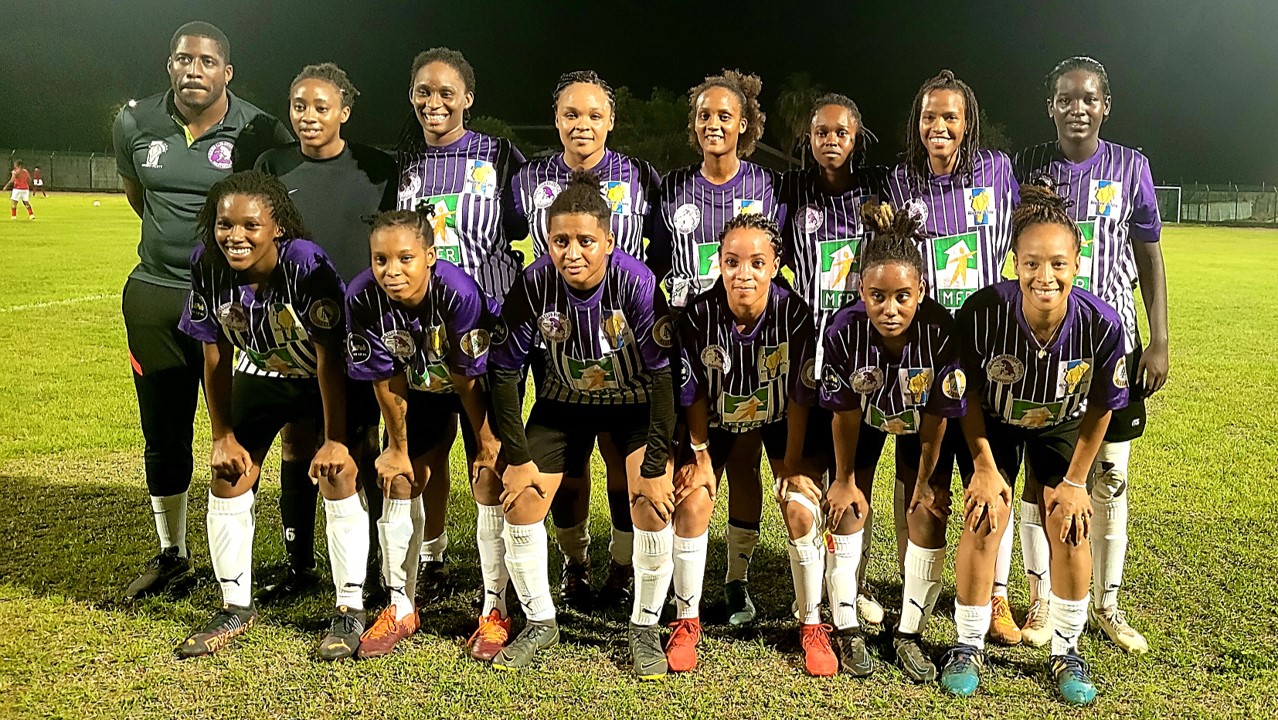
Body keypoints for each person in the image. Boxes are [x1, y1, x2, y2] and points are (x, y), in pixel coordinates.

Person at [113, 21, 292, 602]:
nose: (195, 70)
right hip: (156, 295)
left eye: (208, 61)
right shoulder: (134, 121)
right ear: (170, 65)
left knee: (243, 430)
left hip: (235, 301)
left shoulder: (260, 126)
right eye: (184, 59)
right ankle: (172, 554)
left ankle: (252, 558)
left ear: (227, 72)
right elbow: (139, 194)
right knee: (163, 429)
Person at [941, 183, 1128, 705]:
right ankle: (968, 643)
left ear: (1077, 262)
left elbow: (1102, 404)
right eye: (1031, 263)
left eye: (1058, 263)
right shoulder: (982, 312)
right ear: (1013, 263)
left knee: (1069, 525)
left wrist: (1074, 482)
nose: (1045, 277)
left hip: (1062, 424)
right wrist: (982, 462)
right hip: (995, 423)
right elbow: (967, 393)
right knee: (985, 514)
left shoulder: (1101, 323)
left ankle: (1067, 649)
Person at [486, 170, 675, 677]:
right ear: (546, 241)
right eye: (560, 240)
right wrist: (520, 457)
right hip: (563, 403)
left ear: (609, 241)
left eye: (586, 241)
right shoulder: (534, 283)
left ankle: (644, 628)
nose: (573, 252)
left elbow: (663, 381)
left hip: (632, 403)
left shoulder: (635, 283)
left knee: (653, 505)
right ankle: (541, 622)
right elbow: (503, 373)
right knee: (520, 502)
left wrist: (656, 463)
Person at [1010, 56, 1167, 654]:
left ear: (1106, 105)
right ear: (1050, 106)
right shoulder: (1027, 167)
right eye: (1066, 98)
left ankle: (1107, 603)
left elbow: (1150, 255)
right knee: (1042, 477)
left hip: (1113, 345)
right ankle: (1042, 599)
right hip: (1042, 345)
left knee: (1110, 476)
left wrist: (1158, 340)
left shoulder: (1132, 168)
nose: (1078, 107)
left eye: (1089, 98)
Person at [174, 171, 357, 658]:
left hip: (328, 376)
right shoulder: (206, 264)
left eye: (250, 225)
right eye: (225, 224)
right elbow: (213, 354)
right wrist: (222, 434)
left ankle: (351, 609)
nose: (235, 236)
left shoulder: (305, 263)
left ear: (277, 227)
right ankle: (237, 604)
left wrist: (334, 436)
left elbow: (330, 356)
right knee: (229, 472)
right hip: (266, 370)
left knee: (340, 472)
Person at [509, 70, 662, 611]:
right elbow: (507, 243)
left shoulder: (641, 176)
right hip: (553, 343)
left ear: (611, 121)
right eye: (571, 114)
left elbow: (660, 249)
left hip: (624, 346)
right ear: (556, 119)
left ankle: (623, 570)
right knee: (566, 470)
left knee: (630, 471)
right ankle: (575, 566)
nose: (582, 124)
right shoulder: (527, 178)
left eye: (594, 114)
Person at [884, 69, 1022, 647]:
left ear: (968, 123)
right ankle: (915, 588)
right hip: (926, 346)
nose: (939, 126)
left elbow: (1019, 237)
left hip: (988, 346)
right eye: (929, 116)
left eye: (950, 116)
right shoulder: (901, 179)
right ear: (918, 124)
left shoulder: (996, 171)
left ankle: (996, 595)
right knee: (920, 470)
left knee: (992, 471)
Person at [255, 62, 397, 602]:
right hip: (296, 328)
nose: (308, 116)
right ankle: (299, 564)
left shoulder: (377, 168)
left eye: (320, 106)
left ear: (345, 111)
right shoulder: (273, 163)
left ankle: (373, 563)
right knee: (297, 441)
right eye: (298, 106)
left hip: (358, 326)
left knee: (356, 442)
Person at [647, 69, 785, 625]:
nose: (713, 123)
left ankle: (736, 581)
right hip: (686, 349)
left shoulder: (766, 189)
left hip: (745, 348)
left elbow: (779, 262)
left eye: (725, 115)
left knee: (746, 461)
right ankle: (674, 586)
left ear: (744, 124)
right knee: (689, 466)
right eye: (704, 115)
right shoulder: (672, 187)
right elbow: (654, 258)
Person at [665, 213, 827, 675]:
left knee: (799, 505)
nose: (744, 274)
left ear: (775, 266)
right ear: (719, 263)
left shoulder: (794, 312)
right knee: (694, 500)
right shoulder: (699, 313)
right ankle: (686, 620)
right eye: (733, 262)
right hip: (715, 420)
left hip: (778, 417)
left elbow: (799, 394)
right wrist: (697, 454)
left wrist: (792, 464)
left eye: (757, 262)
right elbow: (691, 389)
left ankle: (811, 625)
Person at [395, 47, 526, 602]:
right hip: (421, 339)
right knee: (424, 454)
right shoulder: (405, 166)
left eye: (447, 92)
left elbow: (525, 225)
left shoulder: (501, 156)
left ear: (468, 98)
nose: (434, 102)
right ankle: (433, 558)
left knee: (489, 454)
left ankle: (497, 586)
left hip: (488, 334)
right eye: (424, 92)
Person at [345, 210, 506, 661]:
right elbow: (384, 376)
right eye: (380, 259)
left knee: (489, 479)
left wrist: (487, 440)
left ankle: (495, 610)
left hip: (476, 383)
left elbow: (467, 376)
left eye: (405, 258)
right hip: (420, 389)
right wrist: (397, 449)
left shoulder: (459, 292)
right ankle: (400, 606)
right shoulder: (361, 298)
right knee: (399, 477)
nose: (391, 271)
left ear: (430, 257)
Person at [819, 200, 967, 683]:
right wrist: (842, 480)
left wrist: (925, 482)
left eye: (903, 296)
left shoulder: (941, 332)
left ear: (921, 290)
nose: (890, 308)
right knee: (846, 506)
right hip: (863, 421)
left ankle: (909, 632)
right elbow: (842, 412)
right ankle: (845, 624)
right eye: (877, 296)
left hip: (918, 426)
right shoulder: (843, 330)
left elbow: (938, 418)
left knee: (926, 513)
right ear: (861, 290)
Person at [780, 92, 886, 627]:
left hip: (863, 354)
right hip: (808, 350)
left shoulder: (877, 189)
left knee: (857, 474)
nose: (831, 141)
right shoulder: (791, 189)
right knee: (808, 469)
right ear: (810, 138)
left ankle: (854, 584)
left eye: (841, 132)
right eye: (821, 132)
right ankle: (811, 587)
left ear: (856, 137)